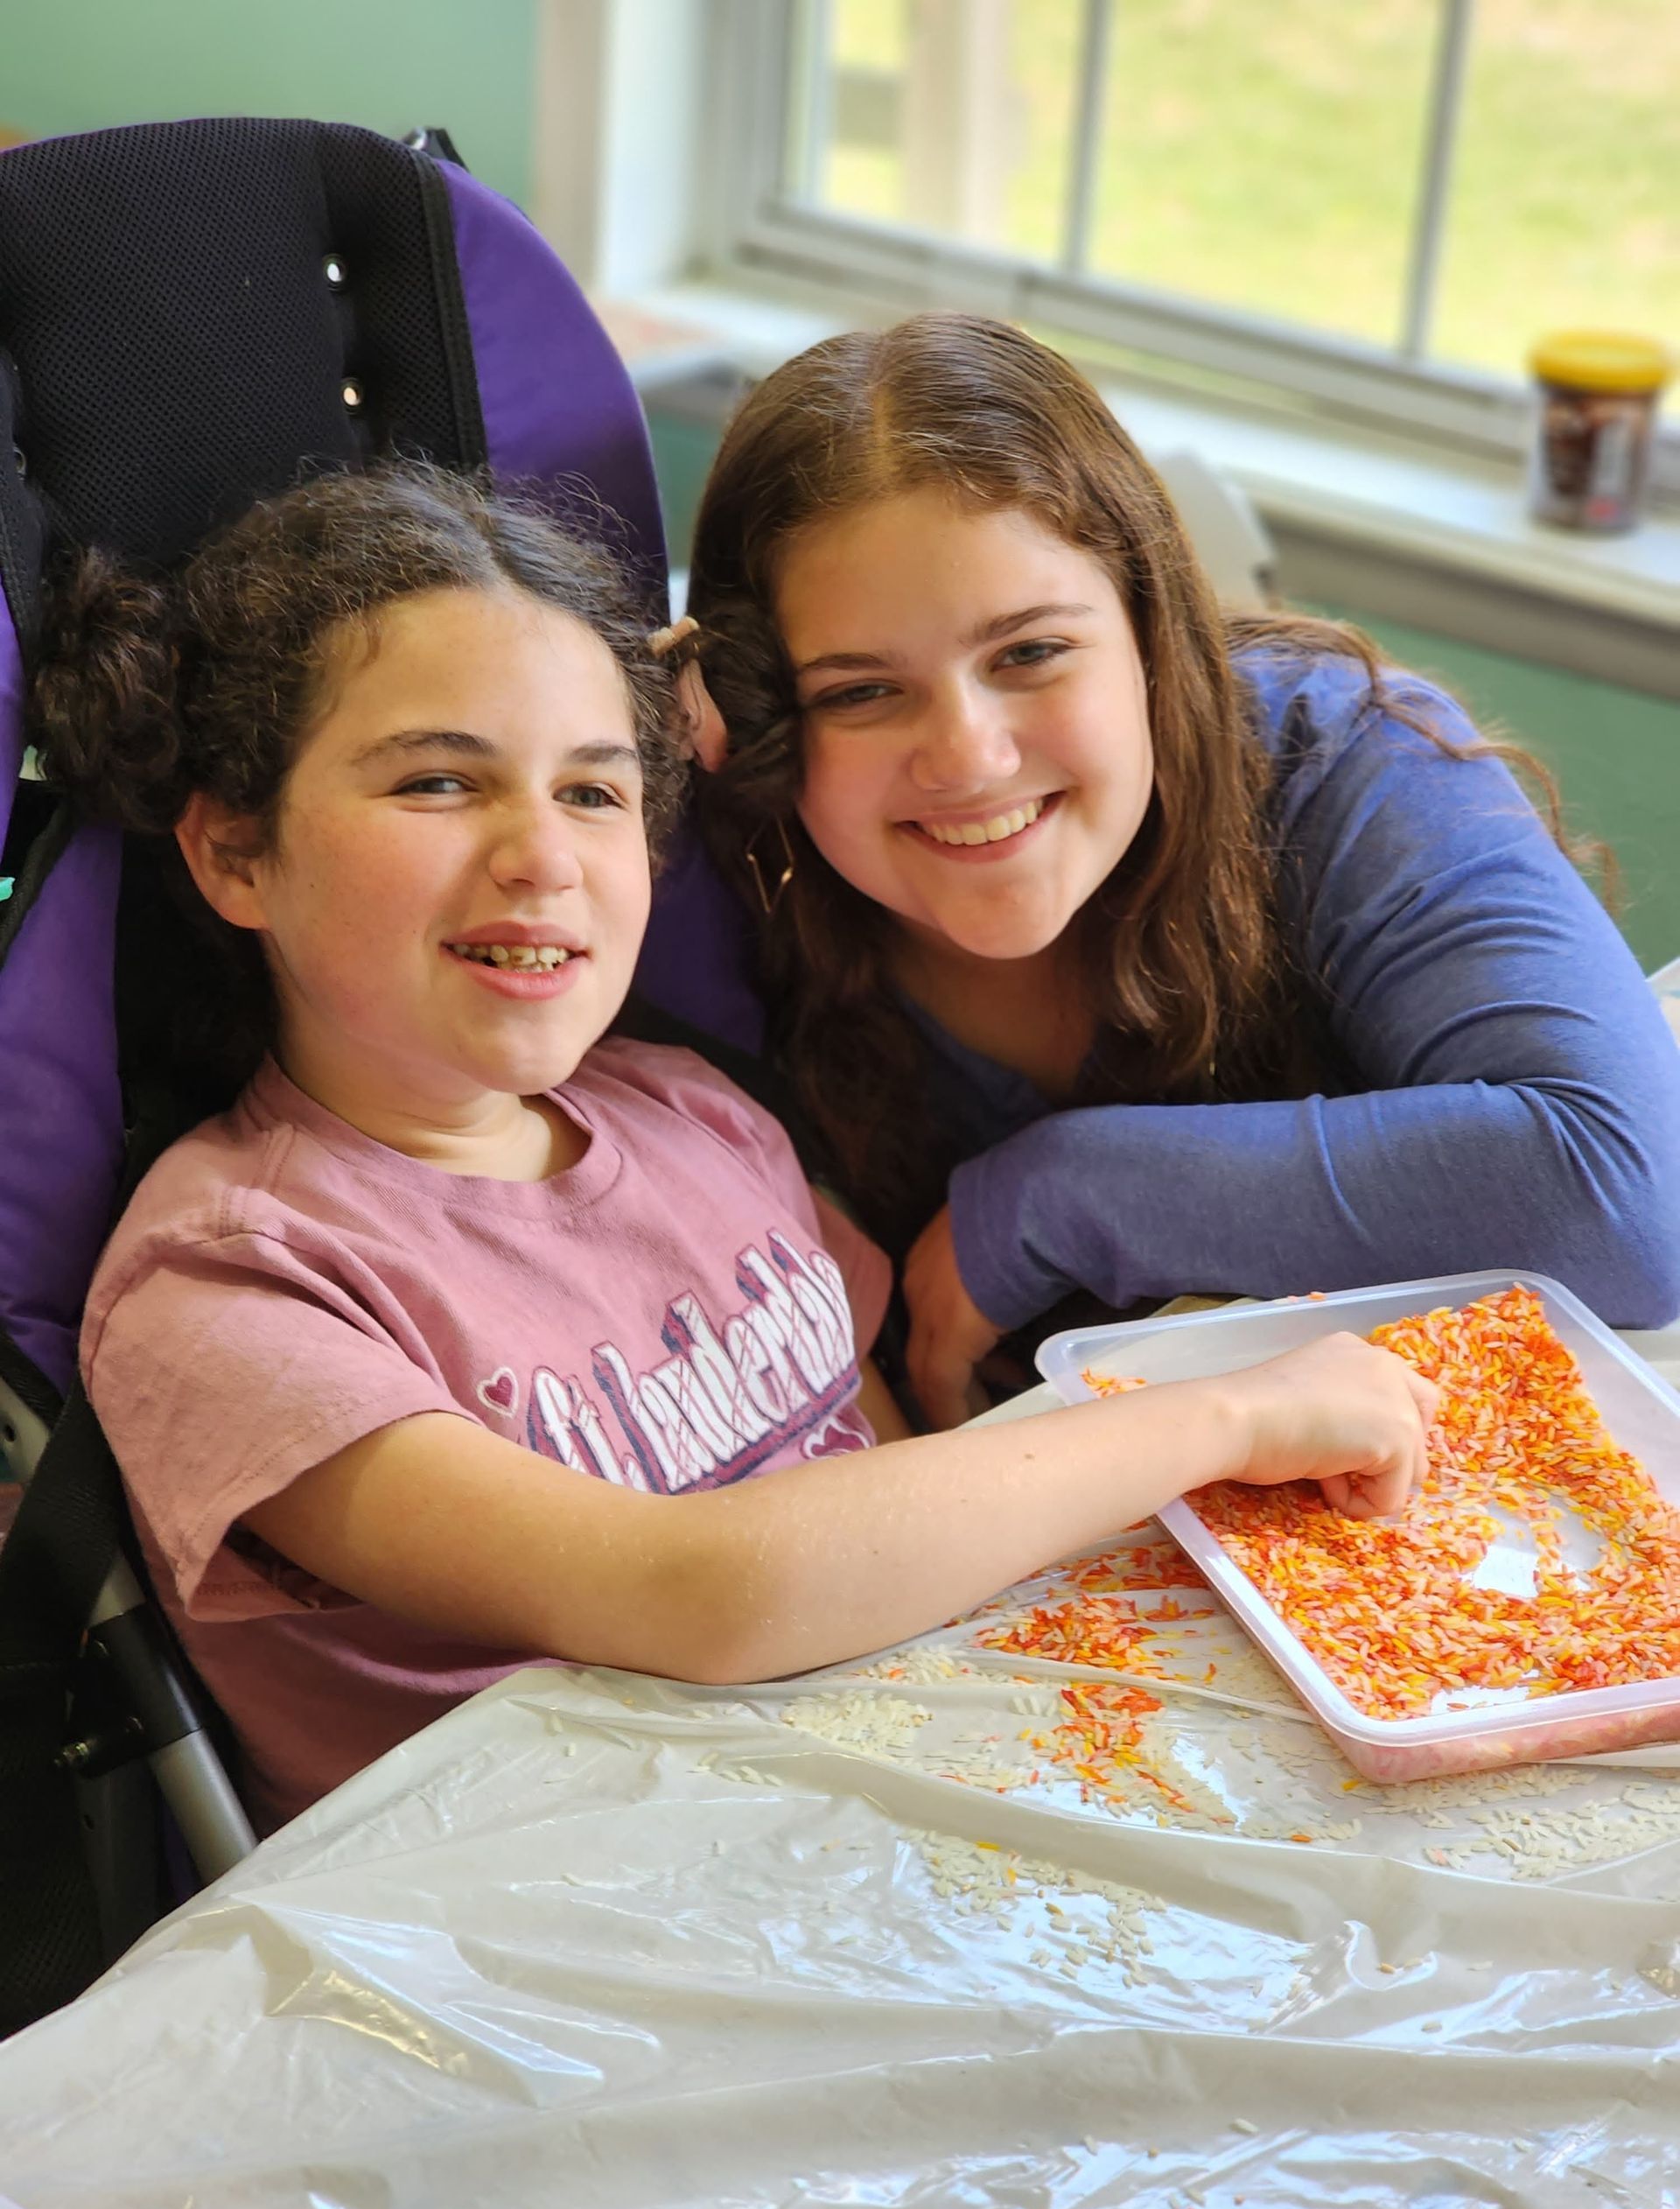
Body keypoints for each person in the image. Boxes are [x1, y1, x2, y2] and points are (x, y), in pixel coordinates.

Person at [34, 464, 1436, 1831]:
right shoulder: (230, 1286)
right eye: (440, 785)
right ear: (234, 855)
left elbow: (887, 1468)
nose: (544, 855)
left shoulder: (701, 1119)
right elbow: (697, 1593)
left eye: (592, 793)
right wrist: (1222, 1418)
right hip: (562, 1949)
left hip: (889, 1812)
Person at [658, 312, 1680, 1428]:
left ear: (1153, 634)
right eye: (859, 691)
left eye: (1031, 653)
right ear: (762, 718)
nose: (969, 758)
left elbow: (1626, 1198)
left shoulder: (1340, 756)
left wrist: (1059, 1195)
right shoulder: (720, 869)